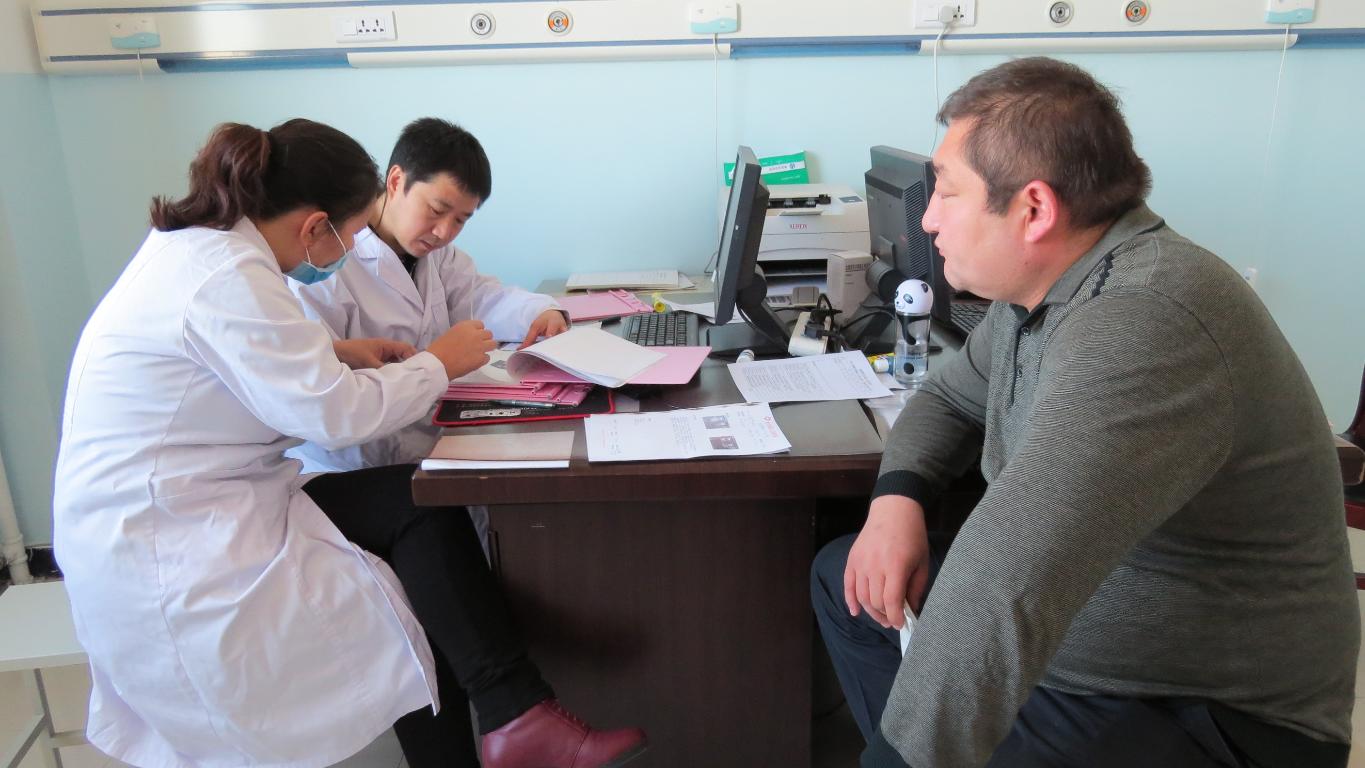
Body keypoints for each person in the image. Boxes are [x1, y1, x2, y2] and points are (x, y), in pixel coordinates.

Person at [810, 57, 1358, 768]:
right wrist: (895, 505)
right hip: (1086, 655)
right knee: (848, 581)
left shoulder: (1143, 321)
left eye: (946, 190)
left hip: (1204, 714)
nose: (929, 218)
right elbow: (947, 399)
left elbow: (1003, 577)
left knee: (944, 651)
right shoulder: (1044, 290)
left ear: (1034, 209)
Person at [52, 118, 645, 768]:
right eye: (352, 231)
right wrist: (438, 363)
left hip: (204, 502)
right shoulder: (228, 276)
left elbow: (232, 366)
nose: (357, 244)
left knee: (422, 534)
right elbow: (332, 414)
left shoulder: (207, 254)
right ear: (316, 226)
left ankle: (516, 719)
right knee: (420, 529)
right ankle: (518, 719)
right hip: (170, 542)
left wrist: (337, 351)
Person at [288, 117, 568, 474]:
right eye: (436, 211)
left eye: (460, 220)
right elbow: (327, 401)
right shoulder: (326, 265)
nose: (444, 232)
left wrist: (540, 312)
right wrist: (439, 361)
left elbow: (481, 297)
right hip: (358, 466)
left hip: (428, 441)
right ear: (396, 181)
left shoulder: (437, 255)